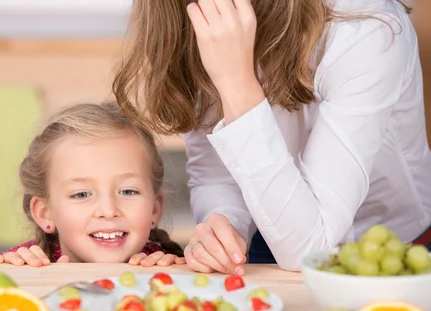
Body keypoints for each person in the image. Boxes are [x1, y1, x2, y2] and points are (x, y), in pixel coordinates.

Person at [112, 0, 431, 274]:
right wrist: (226, 224)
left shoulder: (366, 28)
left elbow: (311, 248)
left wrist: (236, 83)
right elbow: (216, 176)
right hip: (272, 236)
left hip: (396, 250)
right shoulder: (197, 16)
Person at [0, 102, 186, 268]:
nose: (108, 211)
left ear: (154, 208)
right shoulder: (23, 267)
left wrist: (174, 280)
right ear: (44, 213)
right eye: (81, 194)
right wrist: (14, 281)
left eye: (128, 191)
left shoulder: (167, 270)